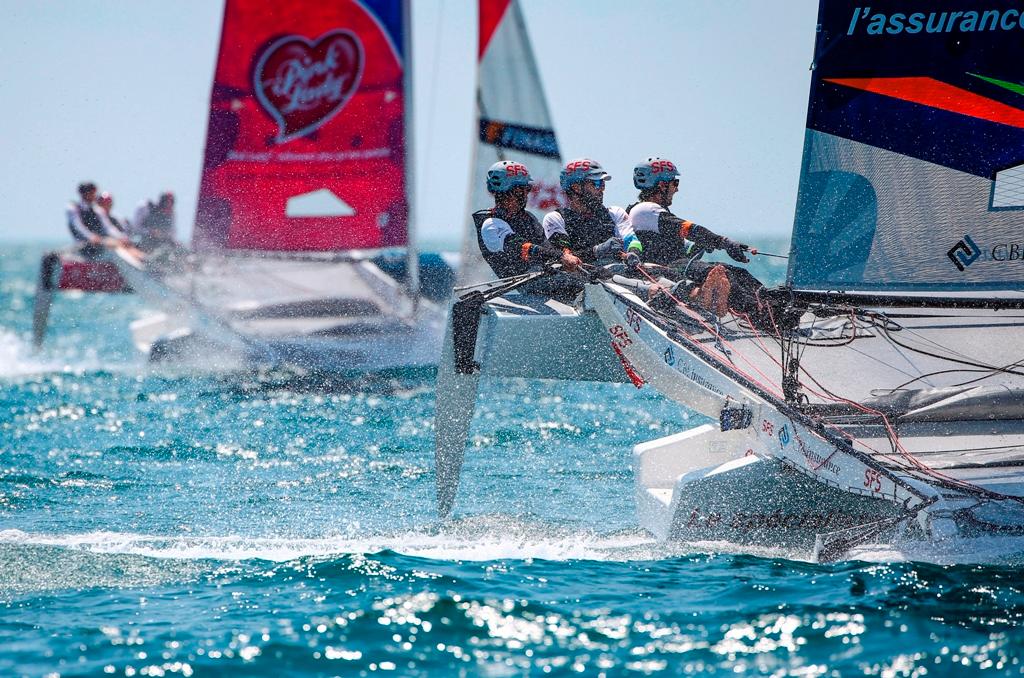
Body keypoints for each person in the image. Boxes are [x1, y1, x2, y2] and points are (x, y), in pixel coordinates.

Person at [626, 157, 774, 326]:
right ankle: (763, 317)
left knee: (740, 274)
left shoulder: (650, 212)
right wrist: (724, 242)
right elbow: (690, 230)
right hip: (665, 268)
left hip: (676, 264)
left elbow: (675, 244)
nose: (677, 189)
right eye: (675, 183)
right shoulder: (645, 209)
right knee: (727, 275)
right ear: (661, 185)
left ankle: (773, 306)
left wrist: (701, 245)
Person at [473, 160, 581, 279]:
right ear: (502, 193)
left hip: (544, 276)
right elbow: (525, 249)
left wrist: (565, 253)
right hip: (519, 286)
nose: (525, 195)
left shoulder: (528, 218)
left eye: (527, 189)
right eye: (519, 190)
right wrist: (561, 257)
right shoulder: (490, 225)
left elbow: (547, 246)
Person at [542, 158, 643, 265]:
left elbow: (633, 241)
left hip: (617, 277)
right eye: (597, 184)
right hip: (580, 279)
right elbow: (565, 258)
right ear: (576, 188)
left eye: (603, 184)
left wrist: (633, 253)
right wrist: (597, 251)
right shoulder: (555, 218)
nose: (601, 189)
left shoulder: (615, 213)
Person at [65, 181, 126, 256]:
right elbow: (78, 225)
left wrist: (121, 237)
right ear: (84, 193)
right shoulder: (73, 208)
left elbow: (108, 227)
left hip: (97, 243)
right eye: (92, 193)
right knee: (112, 243)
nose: (94, 195)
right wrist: (91, 236)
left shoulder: (97, 210)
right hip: (82, 244)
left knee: (118, 243)